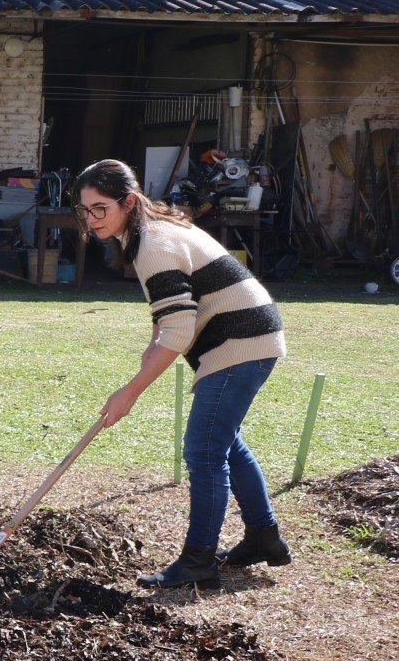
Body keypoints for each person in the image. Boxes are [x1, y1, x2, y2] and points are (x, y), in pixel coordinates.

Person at [76, 158, 289, 589]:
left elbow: (178, 329)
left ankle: (198, 562)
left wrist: (130, 391)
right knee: (224, 444)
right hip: (245, 337)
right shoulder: (149, 233)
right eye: (84, 210)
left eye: (99, 208)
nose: (90, 219)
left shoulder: (152, 243)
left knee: (204, 451)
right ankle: (264, 538)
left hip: (240, 343)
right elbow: (173, 309)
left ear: (128, 202)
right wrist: (150, 348)